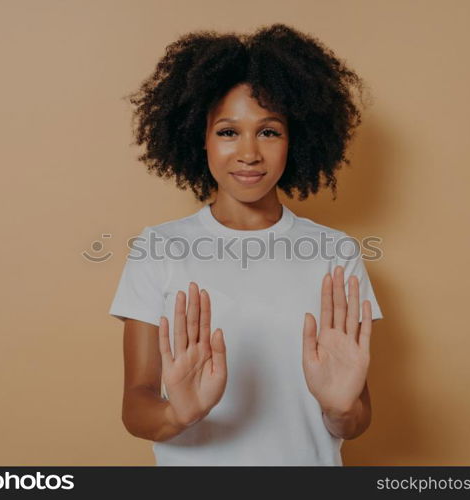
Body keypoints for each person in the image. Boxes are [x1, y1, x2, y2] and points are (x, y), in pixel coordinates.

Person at [108, 23, 384, 466]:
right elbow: (136, 407)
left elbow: (356, 418)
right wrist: (178, 412)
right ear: (200, 136)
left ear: (296, 140)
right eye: (228, 131)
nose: (249, 153)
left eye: (269, 132)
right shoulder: (158, 248)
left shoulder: (336, 252)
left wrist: (340, 408)